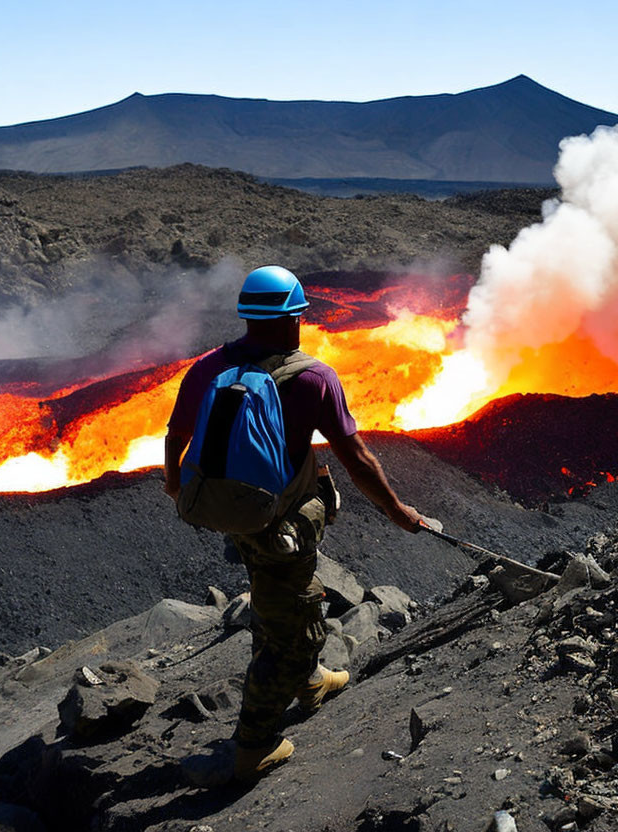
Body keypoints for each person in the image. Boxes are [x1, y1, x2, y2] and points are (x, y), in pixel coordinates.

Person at [164, 264, 430, 782]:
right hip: (280, 521)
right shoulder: (312, 377)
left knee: (271, 593)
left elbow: (177, 436)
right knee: (295, 629)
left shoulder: (207, 368)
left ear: (246, 316)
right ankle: (253, 745)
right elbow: (355, 458)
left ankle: (309, 684)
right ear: (296, 318)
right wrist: (398, 512)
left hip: (228, 510)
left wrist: (175, 486)